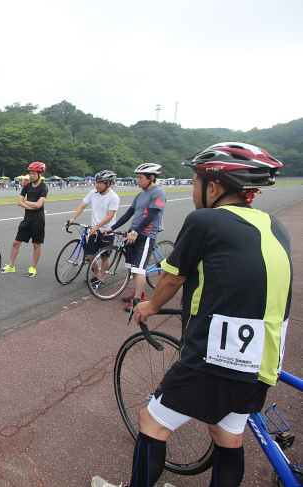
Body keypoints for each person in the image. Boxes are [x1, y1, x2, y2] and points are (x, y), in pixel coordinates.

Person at [92, 143, 291, 487]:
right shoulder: (275, 226)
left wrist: (150, 306)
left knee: (151, 423)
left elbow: (172, 276)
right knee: (227, 435)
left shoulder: (206, 219)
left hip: (218, 350)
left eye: (195, 181)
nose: (193, 190)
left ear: (213, 186)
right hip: (264, 354)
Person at [104, 163, 166, 311]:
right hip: (134, 233)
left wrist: (135, 232)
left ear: (151, 178)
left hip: (146, 234)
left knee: (139, 269)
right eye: (137, 177)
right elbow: (129, 213)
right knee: (132, 267)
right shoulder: (141, 194)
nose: (137, 180)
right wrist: (112, 227)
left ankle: (137, 301)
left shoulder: (158, 193)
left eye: (140, 178)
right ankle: (139, 295)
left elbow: (151, 216)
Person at [66, 170, 120, 286]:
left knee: (105, 257)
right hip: (94, 231)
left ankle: (101, 277)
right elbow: (82, 206)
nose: (96, 185)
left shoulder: (113, 197)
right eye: (96, 182)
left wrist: (97, 226)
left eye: (99, 183)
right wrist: (72, 219)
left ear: (108, 184)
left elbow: (110, 216)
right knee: (90, 256)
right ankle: (97, 274)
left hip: (107, 231)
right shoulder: (92, 193)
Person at [0, 162, 48, 277]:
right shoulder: (27, 186)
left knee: (36, 244)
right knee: (16, 242)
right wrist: (30, 205)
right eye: (30, 173)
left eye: (34, 174)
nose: (31, 176)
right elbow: (19, 202)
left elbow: (39, 205)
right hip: (27, 219)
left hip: (38, 220)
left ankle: (33, 268)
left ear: (40, 174)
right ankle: (11, 266)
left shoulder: (43, 188)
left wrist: (26, 202)